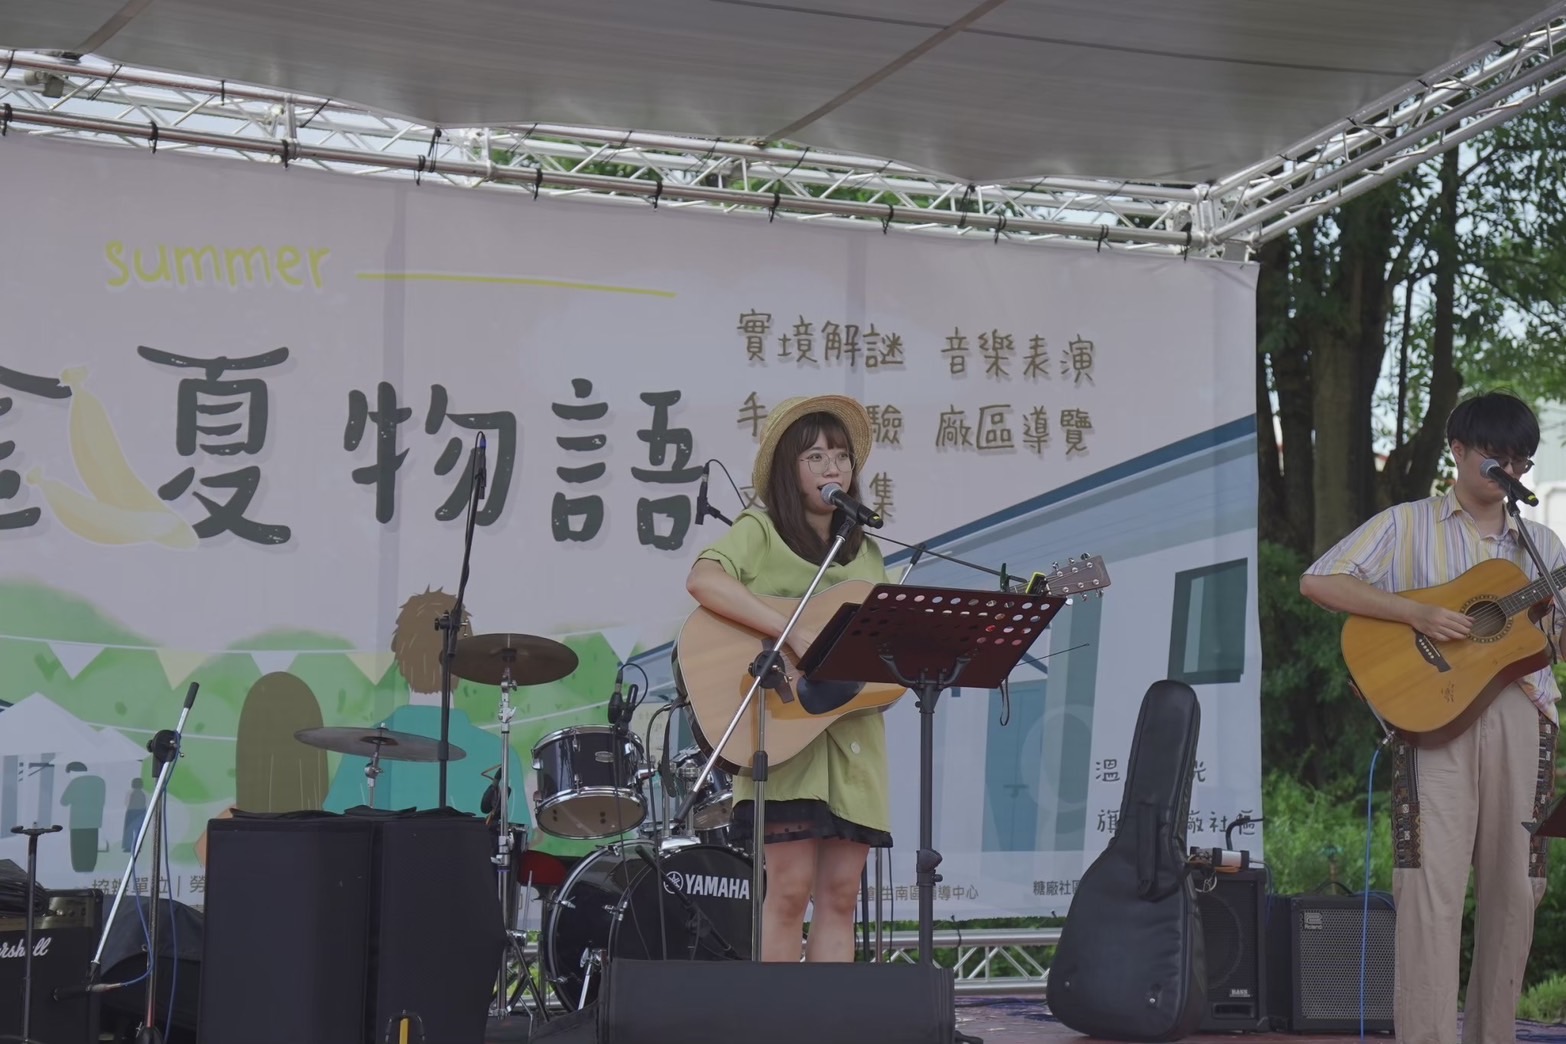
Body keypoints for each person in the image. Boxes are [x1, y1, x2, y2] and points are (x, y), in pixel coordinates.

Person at [1299, 391, 1563, 1044]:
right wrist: (1415, 613)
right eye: (1495, 458)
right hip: (1434, 719)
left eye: (1519, 462)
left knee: (1515, 892)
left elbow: (1555, 644)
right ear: (1458, 451)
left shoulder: (1543, 546)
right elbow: (1321, 580)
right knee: (1430, 891)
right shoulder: (1407, 523)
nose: (1507, 471)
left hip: (1523, 718)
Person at [685, 394, 892, 963]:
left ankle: (826, 1012)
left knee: (842, 896)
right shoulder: (762, 529)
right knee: (790, 891)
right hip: (781, 736)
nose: (833, 468)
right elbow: (704, 580)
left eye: (841, 457)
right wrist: (793, 632)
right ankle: (776, 1012)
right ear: (788, 468)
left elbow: (881, 662)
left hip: (851, 743)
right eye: (816, 457)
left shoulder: (868, 551)